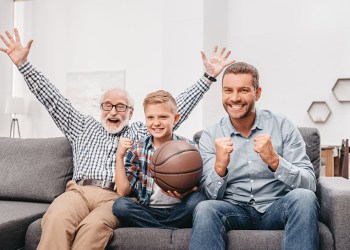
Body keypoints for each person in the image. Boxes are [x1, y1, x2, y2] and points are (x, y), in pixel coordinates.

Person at [0, 28, 235, 250]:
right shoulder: (82, 126)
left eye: (121, 106)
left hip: (114, 197)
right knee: (57, 218)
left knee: (93, 229)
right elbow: (52, 98)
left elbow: (172, 109)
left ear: (131, 113)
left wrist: (208, 77)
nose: (113, 111)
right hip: (79, 192)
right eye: (107, 105)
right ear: (100, 108)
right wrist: (23, 64)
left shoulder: (141, 133)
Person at [189, 62, 319, 250]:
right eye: (228, 90)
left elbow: (310, 185)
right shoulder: (211, 135)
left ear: (257, 93)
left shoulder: (282, 126)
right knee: (205, 209)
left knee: (304, 198)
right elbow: (209, 196)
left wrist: (275, 161)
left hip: (276, 208)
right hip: (234, 211)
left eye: (243, 90)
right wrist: (219, 168)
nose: (234, 98)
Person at [113, 90, 206, 228]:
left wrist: (188, 191)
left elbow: (201, 186)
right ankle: (168, 229)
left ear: (175, 118)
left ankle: (156, 229)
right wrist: (119, 157)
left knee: (199, 200)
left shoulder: (190, 148)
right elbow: (122, 192)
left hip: (181, 209)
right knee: (120, 206)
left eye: (163, 117)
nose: (156, 123)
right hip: (149, 210)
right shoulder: (137, 149)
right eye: (150, 118)